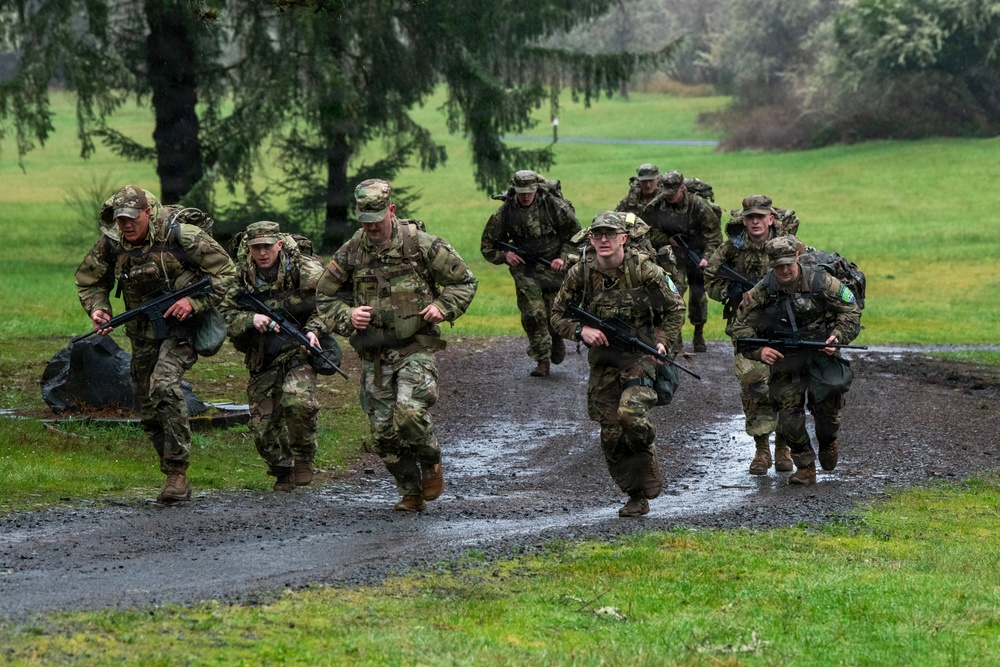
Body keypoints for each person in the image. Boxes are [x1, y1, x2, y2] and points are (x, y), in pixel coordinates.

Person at [308, 179, 477, 512]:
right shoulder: (351, 252)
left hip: (415, 345)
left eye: (377, 218)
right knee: (383, 435)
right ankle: (411, 492)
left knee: (409, 412)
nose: (371, 226)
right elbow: (323, 295)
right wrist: (347, 315)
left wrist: (442, 308)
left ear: (392, 211)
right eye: (364, 220)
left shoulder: (420, 244)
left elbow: (464, 281)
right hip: (375, 354)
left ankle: (431, 461)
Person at [75, 185, 235, 504]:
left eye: (133, 218)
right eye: (121, 220)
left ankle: (177, 473)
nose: (127, 225)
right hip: (143, 331)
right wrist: (98, 308)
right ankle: (169, 466)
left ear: (148, 213)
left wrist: (193, 301)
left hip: (185, 327)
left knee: (163, 386)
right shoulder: (112, 244)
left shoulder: (182, 236)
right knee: (146, 403)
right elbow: (90, 280)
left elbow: (227, 273)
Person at [551, 211, 686, 517]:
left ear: (623, 238)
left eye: (610, 234)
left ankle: (646, 456)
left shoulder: (644, 269)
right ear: (590, 239)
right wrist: (580, 330)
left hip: (642, 354)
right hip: (605, 360)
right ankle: (635, 494)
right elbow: (557, 314)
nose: (603, 240)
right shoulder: (580, 272)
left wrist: (662, 340)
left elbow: (675, 307)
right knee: (611, 435)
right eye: (597, 235)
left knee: (630, 413)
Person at [731, 236, 863, 485]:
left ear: (797, 259)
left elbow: (850, 309)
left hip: (821, 353)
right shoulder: (763, 290)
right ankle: (805, 466)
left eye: (788, 264)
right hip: (786, 359)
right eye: (778, 266)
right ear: (771, 265)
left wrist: (837, 336)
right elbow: (740, 328)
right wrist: (760, 352)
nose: (784, 270)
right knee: (789, 416)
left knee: (828, 410)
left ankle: (827, 441)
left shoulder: (820, 281)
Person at [221, 221, 341, 492]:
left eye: (267, 246)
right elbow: (222, 314)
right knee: (262, 427)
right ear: (249, 249)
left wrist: (314, 331)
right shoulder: (240, 275)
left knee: (298, 402)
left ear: (279, 245)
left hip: (299, 349)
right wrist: (250, 319)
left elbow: (329, 305)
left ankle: (303, 458)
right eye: (256, 248)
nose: (262, 253)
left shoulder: (306, 271)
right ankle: (282, 469)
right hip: (263, 354)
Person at [705, 195, 792, 475]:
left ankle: (784, 447)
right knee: (753, 383)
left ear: (771, 219)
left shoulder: (786, 246)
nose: (755, 222)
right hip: (747, 328)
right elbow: (711, 278)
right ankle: (762, 448)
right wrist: (729, 293)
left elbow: (804, 272)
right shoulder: (731, 249)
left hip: (783, 324)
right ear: (743, 220)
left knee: (785, 383)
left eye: (760, 217)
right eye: (750, 217)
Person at [481, 169, 581, 377]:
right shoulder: (505, 212)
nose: (526, 196)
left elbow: (576, 237)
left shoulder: (555, 207)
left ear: (537, 189)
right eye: (521, 191)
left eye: (530, 191)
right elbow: (488, 246)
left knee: (554, 312)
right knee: (533, 313)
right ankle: (542, 360)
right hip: (525, 269)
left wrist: (563, 258)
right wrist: (505, 255)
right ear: (514, 189)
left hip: (553, 267)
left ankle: (556, 338)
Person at [615, 164, 722, 352]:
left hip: (697, 253)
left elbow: (714, 234)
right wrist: (666, 239)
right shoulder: (656, 204)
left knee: (698, 295)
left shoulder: (698, 205)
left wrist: (706, 258)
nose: (669, 195)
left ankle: (698, 333)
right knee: (674, 292)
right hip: (672, 255)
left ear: (683, 188)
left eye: (674, 191)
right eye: (666, 191)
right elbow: (645, 228)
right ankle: (675, 339)